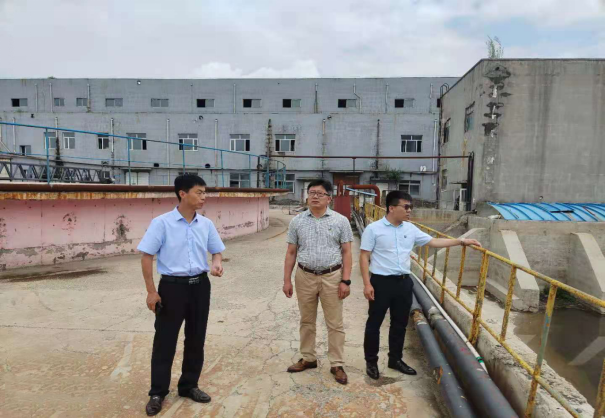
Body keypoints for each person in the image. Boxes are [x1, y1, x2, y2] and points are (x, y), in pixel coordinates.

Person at [360, 190, 481, 380]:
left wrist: (460, 241)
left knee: (399, 324)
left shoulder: (411, 229)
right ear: (391, 208)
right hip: (381, 282)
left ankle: (395, 359)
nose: (410, 210)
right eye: (406, 207)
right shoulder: (374, 229)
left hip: (404, 283)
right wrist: (367, 284)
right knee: (374, 323)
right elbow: (364, 256)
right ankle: (371, 362)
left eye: (411, 207)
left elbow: (433, 241)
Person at [137, 174, 225, 416]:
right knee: (165, 341)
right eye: (199, 192)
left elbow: (217, 251)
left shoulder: (206, 224)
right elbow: (146, 256)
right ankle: (158, 392)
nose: (204, 197)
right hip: (172, 288)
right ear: (182, 194)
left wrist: (216, 263)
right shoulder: (161, 223)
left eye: (205, 192)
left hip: (200, 287)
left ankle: (189, 385)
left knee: (196, 338)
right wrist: (151, 292)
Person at [283, 179, 354, 384]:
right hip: (304, 276)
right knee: (306, 320)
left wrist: (346, 281)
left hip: (332, 276)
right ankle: (308, 358)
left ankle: (337, 363)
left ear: (329, 198)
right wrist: (287, 280)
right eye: (312, 192)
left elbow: (347, 252)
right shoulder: (297, 221)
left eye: (320, 193)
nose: (315, 196)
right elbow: (291, 252)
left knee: (335, 323)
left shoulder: (340, 221)